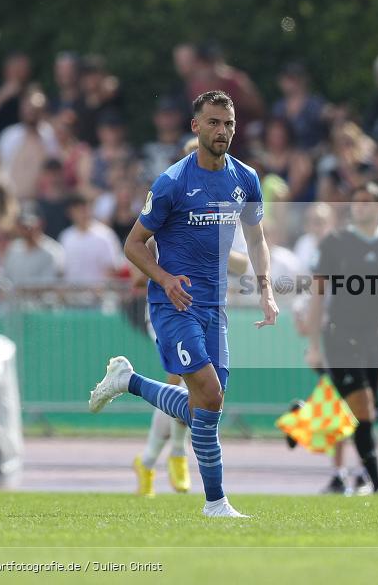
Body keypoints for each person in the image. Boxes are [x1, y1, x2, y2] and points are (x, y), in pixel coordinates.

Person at [88, 90, 279, 518]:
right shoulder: (173, 181)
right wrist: (165, 278)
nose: (222, 131)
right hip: (174, 305)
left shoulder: (245, 178)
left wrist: (265, 288)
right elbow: (134, 245)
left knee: (206, 409)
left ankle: (128, 382)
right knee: (207, 394)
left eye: (228, 124)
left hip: (216, 308)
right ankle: (216, 504)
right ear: (196, 126)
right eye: (213, 123)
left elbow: (257, 239)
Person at [305, 182, 378, 495]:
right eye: (357, 202)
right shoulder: (336, 242)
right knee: (361, 405)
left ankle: (354, 475)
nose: (361, 207)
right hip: (341, 335)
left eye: (368, 202)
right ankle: (373, 480)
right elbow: (318, 293)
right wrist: (313, 344)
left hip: (375, 337)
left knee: (366, 411)